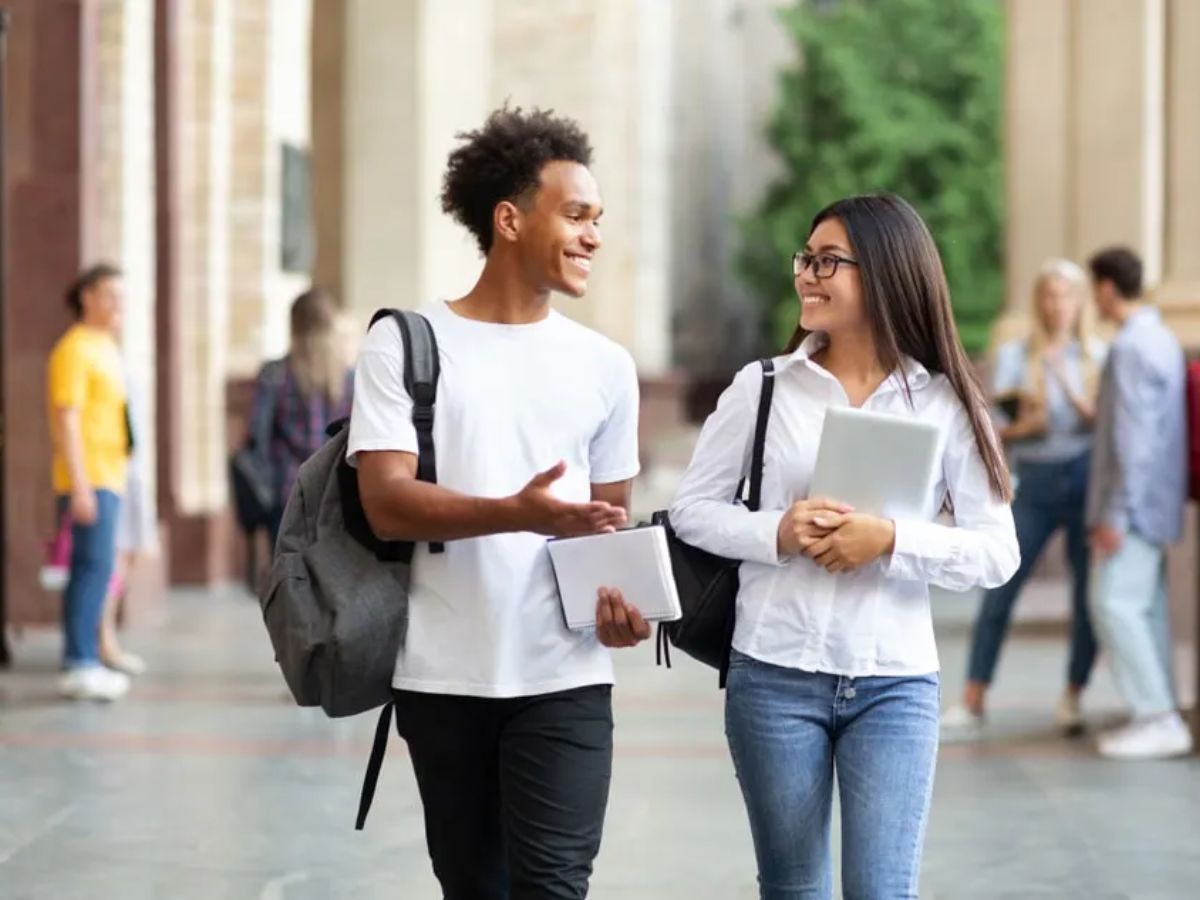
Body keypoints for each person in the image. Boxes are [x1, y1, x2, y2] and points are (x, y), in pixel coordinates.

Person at [670, 194, 1019, 899]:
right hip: (773, 674)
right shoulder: (762, 388)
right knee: (794, 888)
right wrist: (778, 531)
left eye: (828, 261)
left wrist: (890, 540)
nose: (807, 274)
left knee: (882, 891)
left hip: (895, 680)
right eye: (805, 258)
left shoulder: (948, 403)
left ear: (888, 272)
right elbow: (691, 513)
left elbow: (996, 551)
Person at [346, 106, 650, 898]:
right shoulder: (404, 343)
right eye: (576, 214)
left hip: (566, 678)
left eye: (598, 219)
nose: (593, 235)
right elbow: (387, 503)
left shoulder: (606, 366)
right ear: (509, 219)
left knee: (554, 888)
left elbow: (605, 528)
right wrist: (518, 512)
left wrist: (624, 608)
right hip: (443, 679)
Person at [942, 259, 1106, 739]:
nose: (1058, 304)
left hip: (1082, 479)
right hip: (1033, 479)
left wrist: (1068, 385)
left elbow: (1102, 422)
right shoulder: (1016, 354)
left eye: (1067, 295)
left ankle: (1073, 695)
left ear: (1080, 303)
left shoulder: (1098, 353)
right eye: (1050, 295)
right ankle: (973, 699)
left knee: (1084, 595)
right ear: (1040, 301)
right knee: (999, 586)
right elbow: (997, 424)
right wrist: (1022, 427)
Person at [1085, 246, 1192, 760]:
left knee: (1113, 604)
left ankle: (1157, 716)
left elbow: (1132, 440)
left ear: (1106, 288)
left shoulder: (1129, 347)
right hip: (1158, 502)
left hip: (1134, 507)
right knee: (1143, 610)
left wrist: (1113, 515)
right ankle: (1158, 712)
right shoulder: (1162, 339)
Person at [47, 263, 132, 701]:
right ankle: (79, 660)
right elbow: (68, 419)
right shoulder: (74, 349)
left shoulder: (105, 346)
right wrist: (79, 484)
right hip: (89, 478)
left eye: (121, 295)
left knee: (99, 570)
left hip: (110, 476)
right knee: (89, 570)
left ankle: (86, 658)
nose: (118, 303)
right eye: (109, 294)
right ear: (87, 297)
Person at [247, 288, 355, 548]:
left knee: (289, 580)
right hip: (336, 497)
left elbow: (257, 436)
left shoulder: (275, 374)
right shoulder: (350, 379)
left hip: (286, 495)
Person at [99, 350, 153, 676]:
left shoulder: (117, 359)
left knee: (124, 556)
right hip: (109, 474)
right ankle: (103, 638)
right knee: (109, 561)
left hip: (128, 470)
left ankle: (107, 637)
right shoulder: (86, 355)